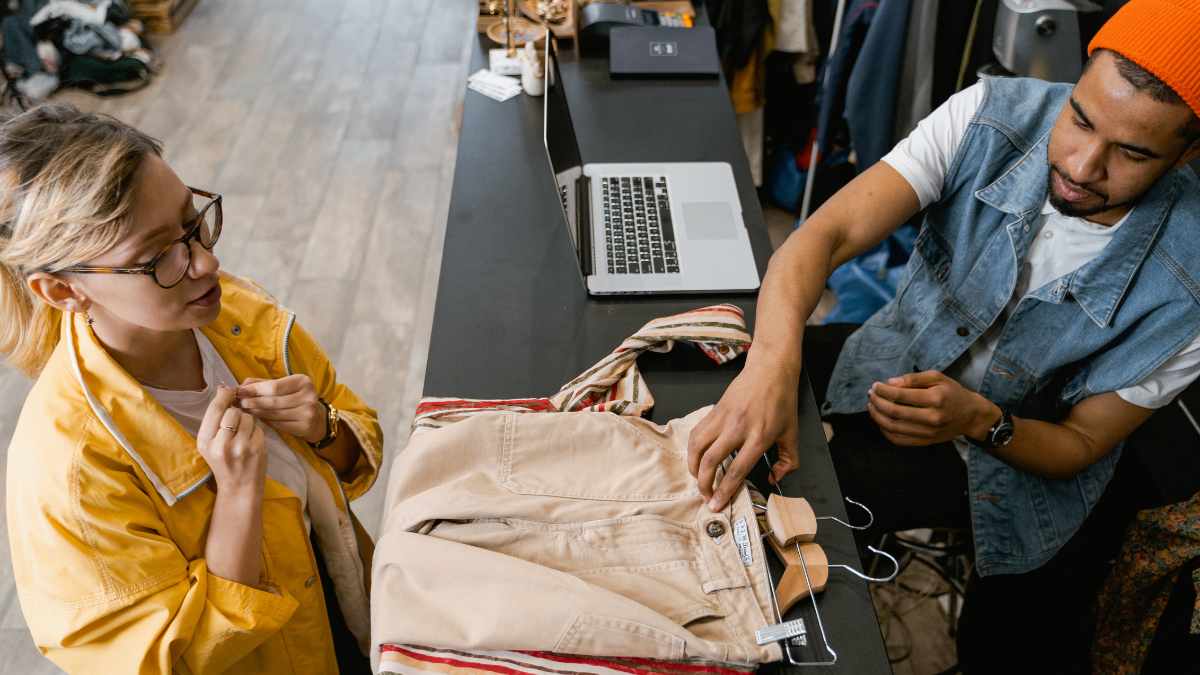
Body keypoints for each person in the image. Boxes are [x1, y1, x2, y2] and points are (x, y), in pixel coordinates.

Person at [687, 0, 1200, 671]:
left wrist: (981, 419)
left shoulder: (1188, 286)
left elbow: (1079, 444)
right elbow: (824, 236)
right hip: (895, 356)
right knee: (706, 395)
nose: (1081, 164)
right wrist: (769, 368)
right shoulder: (988, 116)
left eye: (1130, 153)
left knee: (777, 519)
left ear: (1188, 153)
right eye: (1080, 117)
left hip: (1015, 460)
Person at [1, 104, 383, 674]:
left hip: (350, 623)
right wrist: (238, 498)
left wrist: (326, 428)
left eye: (192, 222)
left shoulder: (241, 317)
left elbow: (357, 448)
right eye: (158, 258)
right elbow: (167, 664)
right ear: (61, 291)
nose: (207, 262)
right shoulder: (67, 470)